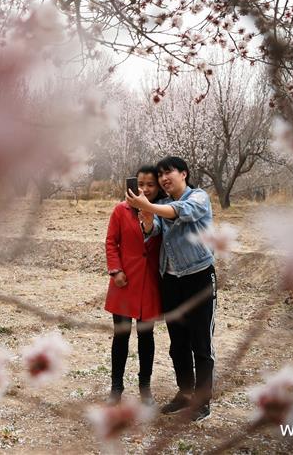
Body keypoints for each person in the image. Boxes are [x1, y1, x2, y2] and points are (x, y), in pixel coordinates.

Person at [126, 156, 216, 423]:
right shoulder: (160, 205)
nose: (164, 179)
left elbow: (182, 211)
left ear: (184, 174)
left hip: (198, 278)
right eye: (161, 175)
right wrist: (147, 217)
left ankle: (202, 401)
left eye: (169, 173)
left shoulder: (199, 197)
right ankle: (185, 393)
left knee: (201, 343)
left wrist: (149, 206)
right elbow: (153, 232)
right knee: (178, 344)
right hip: (172, 281)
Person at [103, 165, 165, 404]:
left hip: (149, 283)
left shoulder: (162, 211)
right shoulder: (120, 210)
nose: (145, 189)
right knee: (121, 337)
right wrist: (116, 270)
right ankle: (116, 388)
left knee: (146, 336)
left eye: (150, 185)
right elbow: (111, 242)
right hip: (124, 282)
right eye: (140, 184)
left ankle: (145, 387)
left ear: (157, 187)